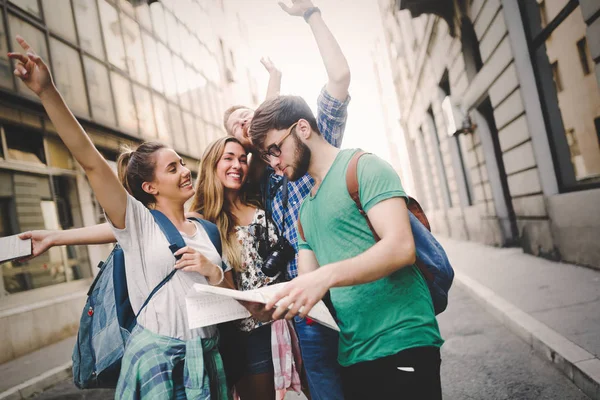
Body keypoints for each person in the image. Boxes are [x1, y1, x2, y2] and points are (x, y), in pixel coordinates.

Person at [8, 36, 231, 399]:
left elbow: (228, 301)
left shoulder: (205, 230)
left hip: (206, 360)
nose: (185, 172)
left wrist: (213, 271)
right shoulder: (138, 224)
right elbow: (90, 161)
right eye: (172, 168)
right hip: (158, 362)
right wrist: (47, 91)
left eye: (182, 164)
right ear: (150, 187)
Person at [248, 95, 445, 400]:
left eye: (275, 149)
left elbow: (400, 248)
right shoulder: (305, 212)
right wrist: (270, 308)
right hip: (352, 354)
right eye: (266, 156)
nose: (274, 163)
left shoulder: (363, 167)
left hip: (403, 340)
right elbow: (307, 286)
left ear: (302, 128)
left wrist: (326, 276)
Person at [223, 2, 351, 398]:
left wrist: (311, 14)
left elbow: (339, 80)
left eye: (247, 115)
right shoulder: (260, 184)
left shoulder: (310, 145)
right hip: (306, 306)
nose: (243, 123)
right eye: (234, 127)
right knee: (325, 388)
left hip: (351, 289)